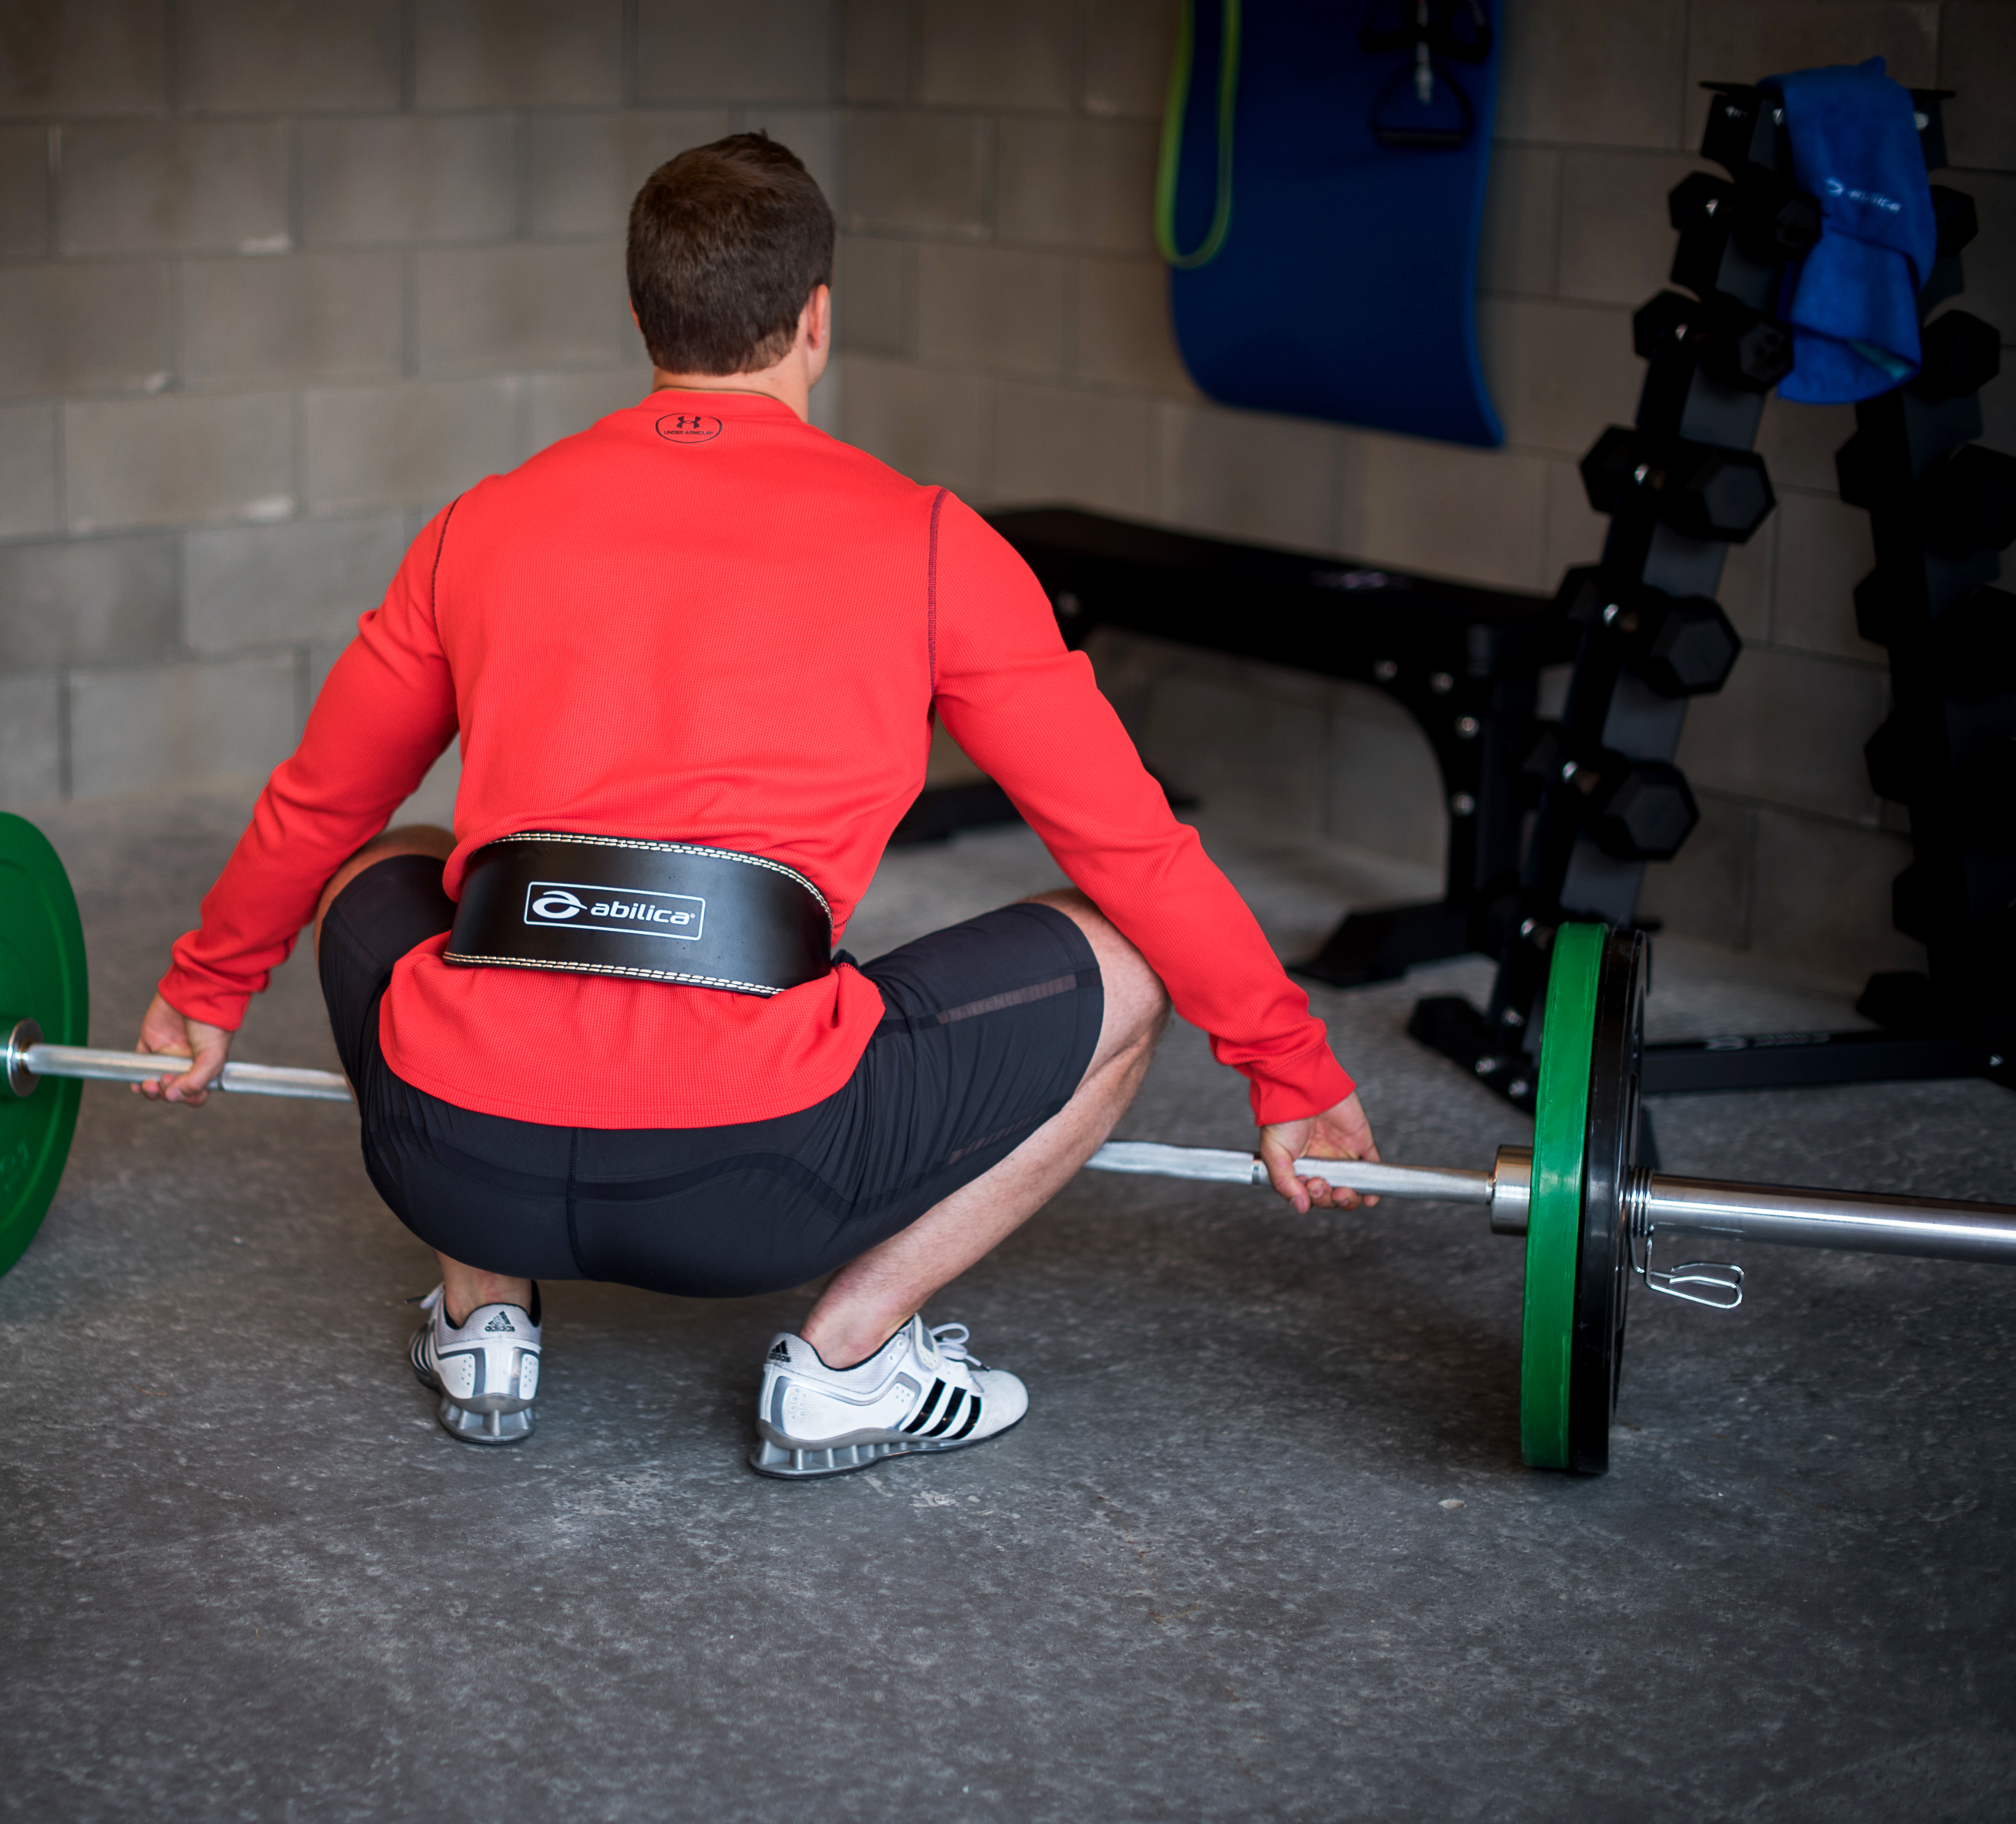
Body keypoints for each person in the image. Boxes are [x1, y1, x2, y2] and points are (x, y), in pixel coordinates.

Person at [135, 133, 1377, 1478]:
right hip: (756, 1188)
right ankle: (848, 1358)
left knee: (388, 859)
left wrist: (205, 988)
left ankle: (482, 1311)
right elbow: (1127, 842)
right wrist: (1288, 1068)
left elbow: (320, 800)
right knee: (1133, 952)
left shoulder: (479, 524)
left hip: (452, 1154)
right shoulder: (933, 543)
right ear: (817, 318)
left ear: (641, 319)